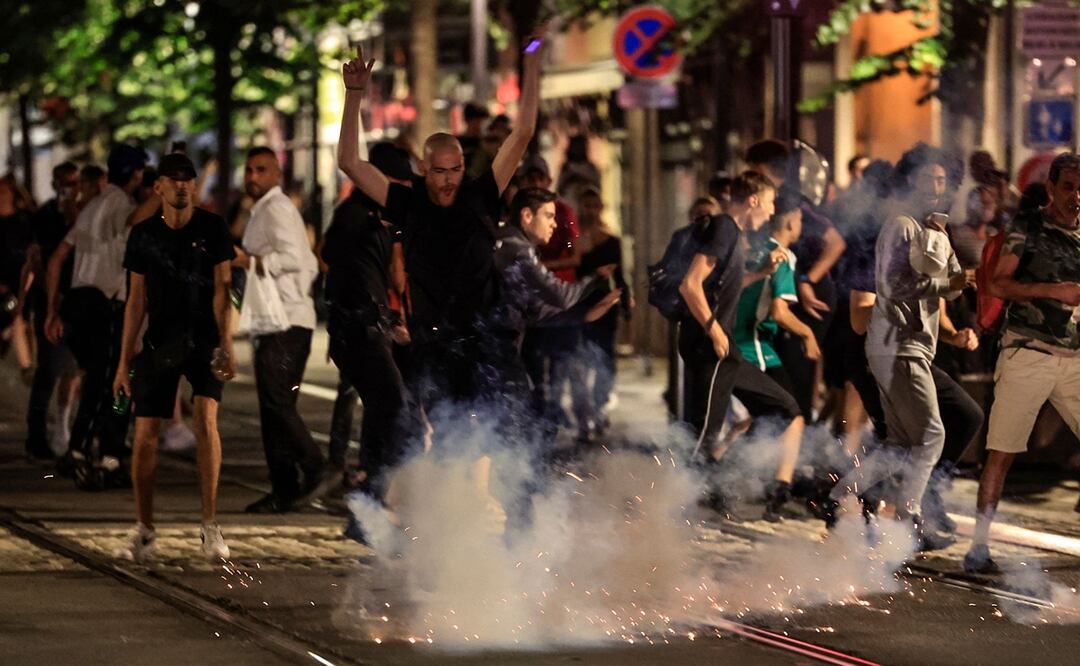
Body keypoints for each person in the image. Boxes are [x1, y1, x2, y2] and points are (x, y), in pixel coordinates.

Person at [336, 38, 541, 413]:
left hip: (485, 339)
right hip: (434, 343)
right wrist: (354, 95)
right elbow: (350, 162)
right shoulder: (408, 201)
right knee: (438, 429)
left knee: (503, 427)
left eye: (456, 170)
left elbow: (523, 132)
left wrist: (532, 63)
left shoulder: (480, 194)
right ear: (423, 168)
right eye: (440, 171)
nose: (449, 180)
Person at [829, 143, 973, 551]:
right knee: (931, 435)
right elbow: (894, 287)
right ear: (909, 180)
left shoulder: (932, 229)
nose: (936, 187)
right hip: (897, 344)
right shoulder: (901, 226)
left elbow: (952, 288)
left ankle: (838, 495)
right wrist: (952, 281)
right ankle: (909, 518)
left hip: (914, 346)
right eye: (928, 178)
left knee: (899, 441)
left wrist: (954, 272)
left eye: (942, 180)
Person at [112, 152, 236, 562]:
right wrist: (123, 362)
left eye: (188, 178)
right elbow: (135, 300)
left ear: (194, 186)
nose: (182, 185)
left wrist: (226, 341)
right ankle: (144, 529)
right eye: (174, 178)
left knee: (206, 419)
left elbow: (224, 288)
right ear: (159, 187)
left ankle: (210, 525)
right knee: (145, 433)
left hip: (204, 340)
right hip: (160, 341)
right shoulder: (143, 234)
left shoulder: (213, 228)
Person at [964, 152, 1080, 573]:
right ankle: (978, 548)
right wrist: (1054, 290)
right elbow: (999, 283)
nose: (1076, 196)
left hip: (1074, 358)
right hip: (1027, 353)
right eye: (1068, 187)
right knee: (1002, 451)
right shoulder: (1028, 228)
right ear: (1051, 188)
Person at [678, 171, 807, 521]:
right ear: (753, 201)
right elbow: (690, 285)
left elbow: (725, 285)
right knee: (705, 434)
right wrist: (714, 331)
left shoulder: (733, 235)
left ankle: (709, 484)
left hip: (725, 348)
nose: (772, 212)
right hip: (710, 346)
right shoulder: (725, 228)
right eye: (770, 203)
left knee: (784, 407)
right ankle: (671, 506)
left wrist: (762, 273)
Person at [45, 145, 145, 489]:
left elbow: (57, 258)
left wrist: (53, 310)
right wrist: (161, 198)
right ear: (136, 174)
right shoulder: (120, 204)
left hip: (77, 303)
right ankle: (90, 452)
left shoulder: (91, 207)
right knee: (112, 382)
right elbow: (133, 221)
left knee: (99, 381)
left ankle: (95, 450)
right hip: (105, 305)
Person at [322, 142, 415, 503]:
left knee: (383, 406)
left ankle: (372, 485)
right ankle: (373, 487)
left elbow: (394, 275)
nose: (403, 191)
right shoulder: (355, 215)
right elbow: (339, 264)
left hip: (373, 324)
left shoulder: (383, 215)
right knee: (392, 404)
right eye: (398, 183)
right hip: (359, 326)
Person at [239, 147, 323, 513]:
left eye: (261, 169)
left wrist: (251, 261)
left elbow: (298, 260)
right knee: (273, 406)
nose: (253, 177)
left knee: (277, 402)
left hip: (287, 321)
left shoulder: (276, 209)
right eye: (249, 170)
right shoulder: (265, 209)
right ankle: (284, 487)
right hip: (275, 321)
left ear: (277, 174)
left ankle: (314, 465)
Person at [746, 140, 847, 419]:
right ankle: (790, 429)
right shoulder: (772, 197)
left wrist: (806, 280)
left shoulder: (790, 200)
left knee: (798, 369)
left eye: (753, 168)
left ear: (766, 168)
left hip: (810, 294)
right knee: (788, 369)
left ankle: (798, 430)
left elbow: (836, 242)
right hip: (790, 286)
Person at [517, 155, 585, 435]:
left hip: (558, 303)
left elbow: (574, 254)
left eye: (539, 178)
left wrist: (540, 268)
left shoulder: (563, 213)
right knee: (533, 366)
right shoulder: (518, 214)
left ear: (548, 181)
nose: (535, 182)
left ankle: (554, 419)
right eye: (529, 177)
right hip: (531, 305)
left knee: (560, 365)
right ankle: (539, 418)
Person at [22, 162, 81, 460]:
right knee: (48, 369)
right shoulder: (44, 216)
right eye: (63, 182)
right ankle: (36, 434)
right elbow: (36, 259)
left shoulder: (83, 213)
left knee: (74, 369)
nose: (68, 188)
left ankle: (64, 428)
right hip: (49, 302)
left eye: (73, 182)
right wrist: (48, 300)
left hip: (77, 301)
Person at [576, 187, 632, 440]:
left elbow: (620, 275)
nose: (589, 210)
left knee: (604, 360)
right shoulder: (573, 239)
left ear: (600, 208)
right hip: (578, 305)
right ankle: (583, 416)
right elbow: (570, 265)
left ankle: (598, 408)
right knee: (578, 363)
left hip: (605, 306)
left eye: (593, 205)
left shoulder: (612, 241)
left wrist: (625, 304)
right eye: (585, 205)